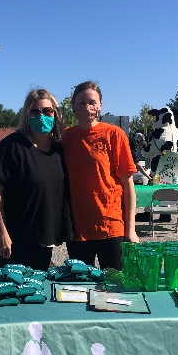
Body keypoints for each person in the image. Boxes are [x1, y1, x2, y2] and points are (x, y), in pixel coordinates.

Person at [0, 88, 72, 271]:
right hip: (13, 237)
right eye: (35, 111)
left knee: (36, 290)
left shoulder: (57, 151)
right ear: (26, 115)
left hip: (42, 236)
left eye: (47, 111)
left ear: (55, 114)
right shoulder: (11, 146)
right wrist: (1, 233)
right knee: (14, 290)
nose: (41, 115)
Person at [62, 80, 139, 270]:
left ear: (100, 105)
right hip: (78, 231)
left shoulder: (114, 134)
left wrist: (131, 230)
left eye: (92, 102)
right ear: (73, 105)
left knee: (115, 289)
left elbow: (128, 185)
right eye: (81, 102)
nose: (87, 107)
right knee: (80, 289)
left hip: (111, 227)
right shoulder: (66, 137)